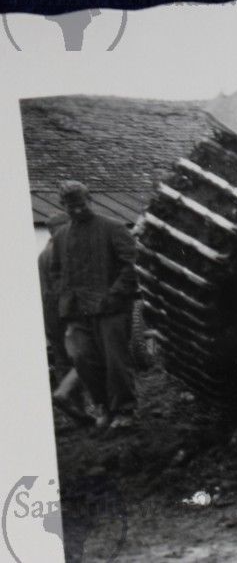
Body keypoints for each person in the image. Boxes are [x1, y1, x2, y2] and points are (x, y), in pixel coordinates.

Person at [50, 181, 138, 430]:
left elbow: (131, 264)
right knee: (82, 358)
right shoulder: (61, 235)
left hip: (111, 308)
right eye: (71, 207)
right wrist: (65, 294)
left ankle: (125, 410)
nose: (77, 211)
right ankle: (103, 407)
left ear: (91, 200)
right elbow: (56, 271)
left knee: (115, 360)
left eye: (81, 204)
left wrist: (114, 295)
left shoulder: (113, 227)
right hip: (76, 310)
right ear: (63, 207)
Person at [39, 213, 92, 424]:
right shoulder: (64, 251)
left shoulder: (42, 254)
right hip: (67, 311)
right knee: (88, 354)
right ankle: (66, 394)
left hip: (49, 313)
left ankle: (77, 411)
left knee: (62, 359)